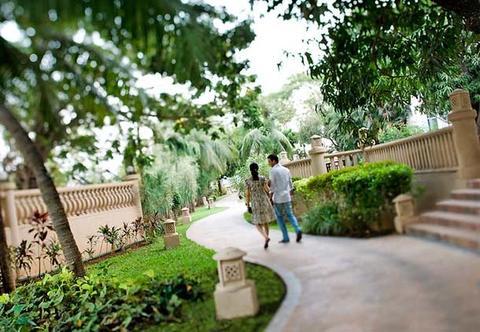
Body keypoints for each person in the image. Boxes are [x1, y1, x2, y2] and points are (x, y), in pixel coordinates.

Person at [267, 154, 302, 243]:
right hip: (287, 197)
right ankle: (297, 229)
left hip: (278, 198)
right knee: (290, 215)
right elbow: (290, 184)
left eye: (269, 161)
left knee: (279, 217)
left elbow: (273, 187)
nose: (268, 163)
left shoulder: (273, 171)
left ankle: (286, 237)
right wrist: (290, 193)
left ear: (274, 161)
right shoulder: (286, 170)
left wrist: (270, 197)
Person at [245, 162, 275, 249]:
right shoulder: (262, 179)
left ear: (250, 170)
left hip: (255, 203)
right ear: (257, 169)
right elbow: (268, 190)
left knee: (257, 223)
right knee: (265, 221)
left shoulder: (248, 181)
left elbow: (247, 195)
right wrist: (270, 198)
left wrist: (247, 205)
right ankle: (266, 238)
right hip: (264, 201)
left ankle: (266, 237)